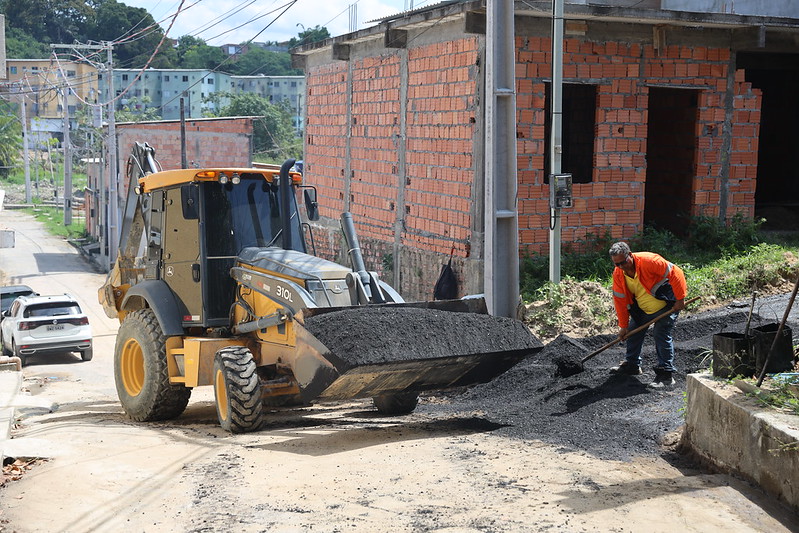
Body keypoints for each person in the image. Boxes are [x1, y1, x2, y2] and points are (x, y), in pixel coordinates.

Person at [609, 241, 688, 388]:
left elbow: (676, 272)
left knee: (661, 333)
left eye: (623, 262)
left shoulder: (650, 261)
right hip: (643, 309)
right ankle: (632, 365)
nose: (621, 267)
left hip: (666, 305)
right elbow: (620, 300)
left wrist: (680, 298)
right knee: (632, 331)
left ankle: (666, 375)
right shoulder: (619, 274)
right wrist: (623, 326)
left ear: (630, 255)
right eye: (617, 264)